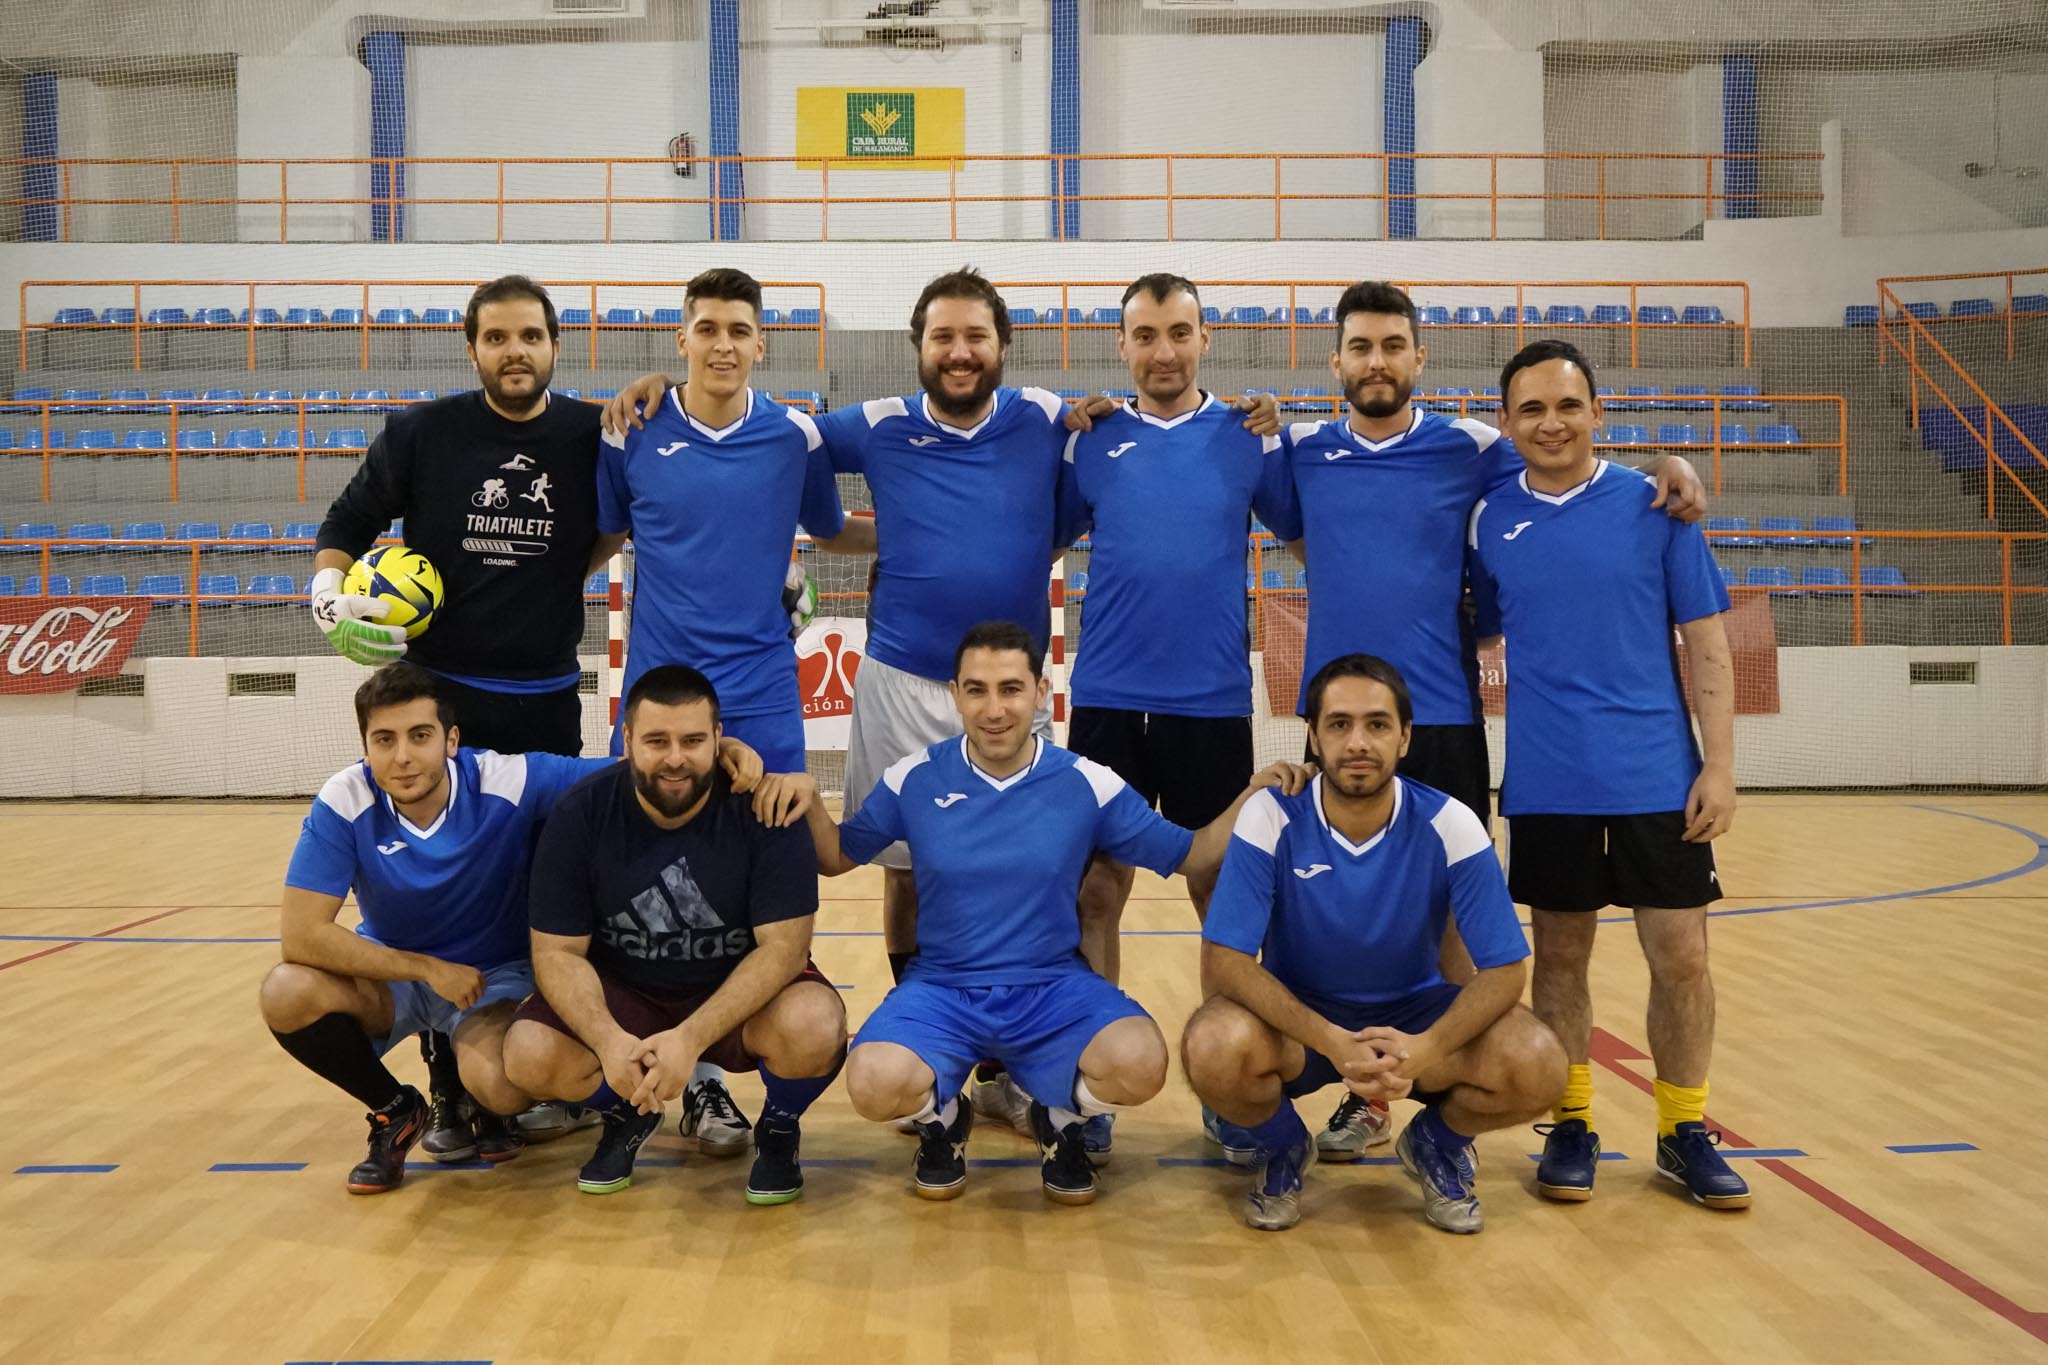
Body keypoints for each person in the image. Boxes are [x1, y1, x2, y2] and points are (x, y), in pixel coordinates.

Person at [605, 268, 1280, 1140]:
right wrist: (658, 388)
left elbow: (1116, 469)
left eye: (976, 337)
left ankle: (1040, 1065)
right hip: (898, 678)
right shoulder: (871, 426)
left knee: (1043, 877)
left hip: (1006, 693)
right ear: (917, 347)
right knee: (903, 869)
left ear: (1004, 345)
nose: (960, 352)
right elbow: (769, 438)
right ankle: (930, 1051)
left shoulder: (1053, 419)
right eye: (942, 337)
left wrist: (1248, 412)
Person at [1262, 280, 1706, 1162]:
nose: (1377, 361)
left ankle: (1447, 1100)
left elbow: (1570, 469)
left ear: (1419, 358)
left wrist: (1671, 466)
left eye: (1393, 345)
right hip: (1339, 721)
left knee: (1455, 924)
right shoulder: (1301, 453)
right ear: (1336, 360)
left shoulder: (1474, 448)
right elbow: (1309, 540)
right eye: (1360, 346)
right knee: (1337, 914)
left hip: (1446, 721)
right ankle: (1351, 1088)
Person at [751, 621, 1308, 1206]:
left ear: (1041, 693)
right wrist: (809, 798)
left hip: (1052, 986)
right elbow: (838, 854)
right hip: (943, 987)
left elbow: (1192, 853)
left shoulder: (1085, 782)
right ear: (954, 693)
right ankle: (942, 1119)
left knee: (1141, 1062)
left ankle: (1062, 1119)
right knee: (871, 1084)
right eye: (977, 690)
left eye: (1011, 689)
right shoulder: (915, 776)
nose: (995, 709)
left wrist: (1254, 794)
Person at [308, 274, 614, 1154]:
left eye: (530, 336)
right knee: (438, 880)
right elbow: (348, 515)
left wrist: (565, 576)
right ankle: (445, 1068)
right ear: (472, 347)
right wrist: (330, 586)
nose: (514, 351)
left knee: (539, 879)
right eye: (496, 338)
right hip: (440, 692)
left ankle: (533, 1041)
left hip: (545, 693)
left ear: (556, 343)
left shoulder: (592, 432)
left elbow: (620, 525)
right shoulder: (422, 432)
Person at [1466, 338, 1746, 1211]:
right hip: (1548, 781)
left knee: (1683, 958)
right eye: (1532, 409)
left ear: (1598, 414)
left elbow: (1707, 641)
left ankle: (1683, 1129)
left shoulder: (1657, 505)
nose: (1551, 423)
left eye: (1567, 405)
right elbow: (1472, 625)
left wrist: (1722, 768)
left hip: (1659, 779)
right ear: (1506, 422)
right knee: (1558, 959)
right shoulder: (1488, 516)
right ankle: (1573, 1121)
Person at [1181, 654, 1565, 1233]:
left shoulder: (1452, 822)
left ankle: (1436, 1142)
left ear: (1405, 738)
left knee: (1540, 1063)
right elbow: (1226, 960)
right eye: (1338, 724)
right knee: (1212, 1044)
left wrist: (1429, 1047)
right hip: (1302, 1022)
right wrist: (1332, 1041)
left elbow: (1507, 969)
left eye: (1377, 725)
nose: (1357, 742)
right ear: (1312, 735)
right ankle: (1283, 1146)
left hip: (1413, 1017)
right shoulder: (1271, 813)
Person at [1055, 273, 1300, 1163]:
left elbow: (1314, 534)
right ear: (1121, 345)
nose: (1163, 350)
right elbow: (1032, 535)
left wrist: (1289, 424)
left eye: (1180, 332)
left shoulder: (1251, 439)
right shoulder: (1090, 440)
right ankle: (1088, 1089)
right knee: (1094, 894)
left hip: (1210, 707)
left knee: (1221, 900)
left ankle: (1232, 1092)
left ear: (1207, 339)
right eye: (1145, 334)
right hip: (1108, 703)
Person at [257, 663, 613, 1194]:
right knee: (286, 990)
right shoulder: (344, 799)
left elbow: (617, 775)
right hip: (398, 976)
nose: (402, 756)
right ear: (365, 745)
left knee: (499, 1085)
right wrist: (427, 969)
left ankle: (476, 1093)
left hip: (493, 977)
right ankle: (395, 1111)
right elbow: (303, 935)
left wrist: (726, 758)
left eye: (419, 736)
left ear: (450, 739)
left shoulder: (503, 779)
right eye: (384, 739)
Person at [501, 665, 846, 1205]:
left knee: (816, 1024)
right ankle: (626, 1113)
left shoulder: (766, 809)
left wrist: (691, 1038)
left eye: (692, 740)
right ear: (627, 740)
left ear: (718, 739)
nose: (676, 758)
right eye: (657, 741)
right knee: (527, 1053)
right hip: (630, 995)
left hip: (732, 989)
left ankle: (779, 1127)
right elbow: (556, 953)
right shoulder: (580, 815)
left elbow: (784, 949)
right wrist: (610, 1043)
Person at [587, 266, 875, 774]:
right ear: (683, 341)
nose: (724, 345)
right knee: (644, 847)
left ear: (760, 346)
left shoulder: (794, 437)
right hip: (660, 690)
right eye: (708, 330)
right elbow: (606, 538)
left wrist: (918, 534)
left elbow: (831, 535)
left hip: (763, 691)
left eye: (739, 332)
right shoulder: (630, 431)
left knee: (775, 841)